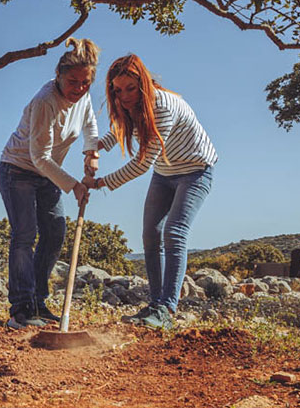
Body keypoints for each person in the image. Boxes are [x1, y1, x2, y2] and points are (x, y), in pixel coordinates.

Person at [84, 54, 217, 330]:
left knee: (174, 232)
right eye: (118, 90)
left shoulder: (163, 106)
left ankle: (167, 309)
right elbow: (121, 128)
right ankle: (155, 305)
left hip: (195, 170)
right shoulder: (128, 106)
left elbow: (142, 163)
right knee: (150, 234)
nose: (125, 96)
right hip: (165, 172)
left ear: (143, 84)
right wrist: (95, 146)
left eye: (131, 88)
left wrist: (102, 183)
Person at [0, 38, 100, 329]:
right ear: (58, 75)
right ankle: (21, 309)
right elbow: (39, 157)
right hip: (18, 170)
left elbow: (90, 123)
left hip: (47, 174)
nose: (79, 88)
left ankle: (38, 302)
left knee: (55, 232)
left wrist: (91, 152)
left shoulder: (83, 95)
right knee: (25, 235)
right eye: (72, 82)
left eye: (85, 83)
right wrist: (74, 185)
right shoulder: (45, 102)